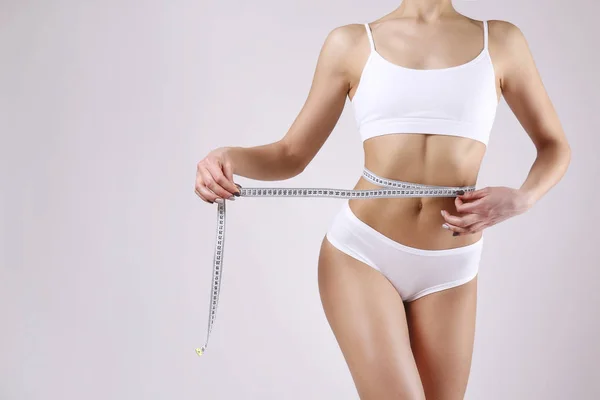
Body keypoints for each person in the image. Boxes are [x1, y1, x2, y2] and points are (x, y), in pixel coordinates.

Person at [195, 1, 571, 399]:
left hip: (452, 265)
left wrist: (524, 198)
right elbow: (291, 155)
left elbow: (554, 145)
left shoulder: (501, 41)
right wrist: (228, 157)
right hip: (364, 253)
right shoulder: (353, 43)